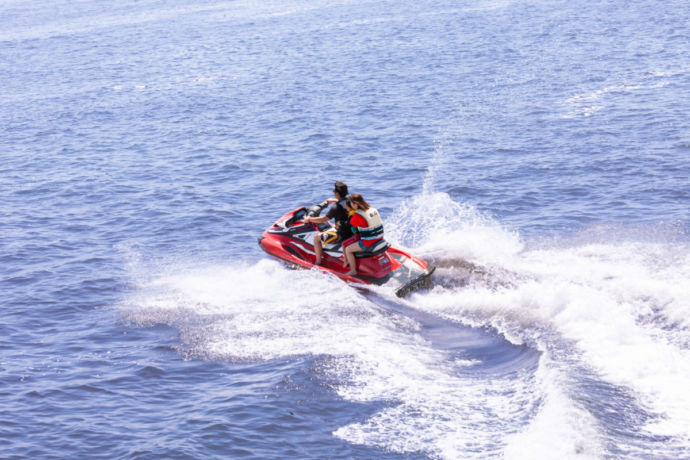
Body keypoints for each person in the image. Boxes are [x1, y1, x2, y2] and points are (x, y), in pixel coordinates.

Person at [303, 181, 353, 265]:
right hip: (351, 230)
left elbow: (323, 219)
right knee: (332, 226)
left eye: (334, 192)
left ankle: (318, 262)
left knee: (316, 238)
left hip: (341, 234)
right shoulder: (350, 202)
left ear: (337, 193)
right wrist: (333, 200)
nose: (333, 193)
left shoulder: (336, 207)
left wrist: (309, 219)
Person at [343, 193, 384, 276]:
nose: (350, 205)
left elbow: (352, 225)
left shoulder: (357, 215)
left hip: (368, 243)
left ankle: (353, 270)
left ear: (355, 203)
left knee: (348, 249)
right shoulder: (373, 209)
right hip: (380, 238)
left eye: (351, 203)